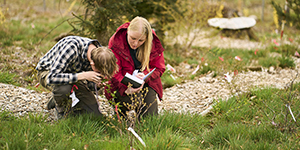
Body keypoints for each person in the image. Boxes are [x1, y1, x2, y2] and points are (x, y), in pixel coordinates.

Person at [36, 36, 118, 119]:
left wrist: (97, 85)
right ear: (92, 64)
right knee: (64, 88)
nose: (100, 74)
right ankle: (61, 108)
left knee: (94, 114)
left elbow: (89, 85)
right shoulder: (71, 48)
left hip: (73, 77)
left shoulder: (99, 55)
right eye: (99, 72)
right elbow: (52, 78)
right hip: (47, 72)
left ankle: (59, 99)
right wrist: (83, 75)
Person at [105, 16, 165, 119]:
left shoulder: (153, 43)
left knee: (150, 118)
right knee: (135, 101)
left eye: (141, 40)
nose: (135, 43)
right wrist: (125, 89)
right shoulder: (116, 41)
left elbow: (159, 68)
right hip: (121, 85)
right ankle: (120, 111)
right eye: (133, 38)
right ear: (128, 31)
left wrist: (145, 76)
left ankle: (141, 116)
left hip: (146, 83)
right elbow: (113, 71)